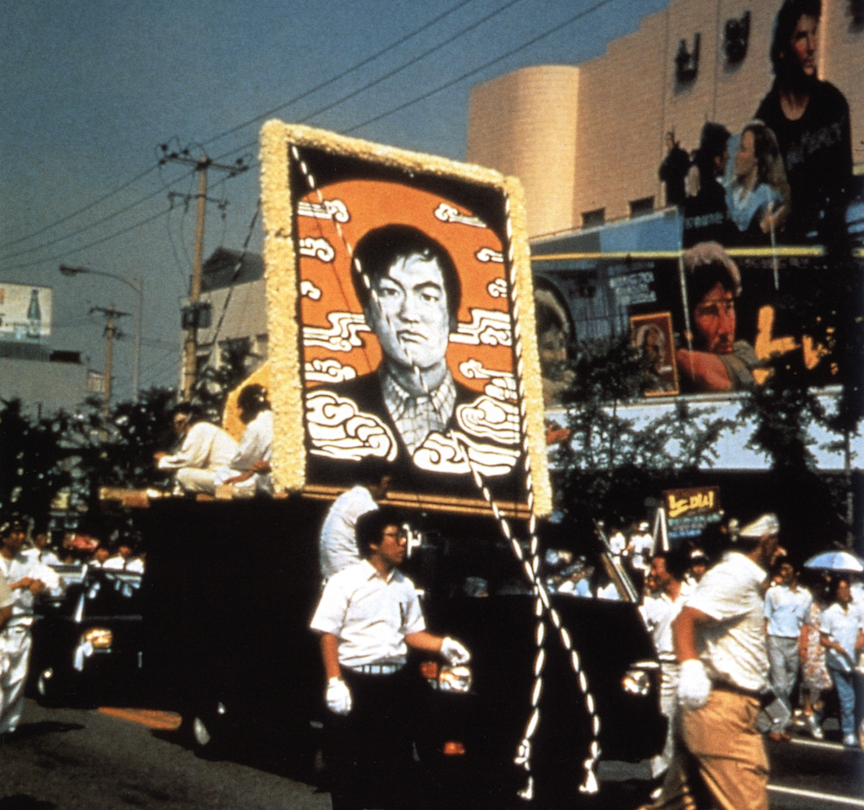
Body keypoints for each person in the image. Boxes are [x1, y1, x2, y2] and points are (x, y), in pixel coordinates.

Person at [310, 508, 470, 810]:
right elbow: (327, 634)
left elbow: (412, 634)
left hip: (394, 687)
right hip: (356, 684)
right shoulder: (344, 582)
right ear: (373, 543)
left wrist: (444, 645)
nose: (402, 543)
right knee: (349, 770)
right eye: (395, 536)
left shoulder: (404, 586)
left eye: (403, 536)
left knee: (390, 770)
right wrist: (335, 681)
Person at [639, 512, 780, 810]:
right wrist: (690, 668)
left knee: (679, 804)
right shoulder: (733, 575)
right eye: (776, 542)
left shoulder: (741, 577)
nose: (779, 551)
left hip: (720, 708)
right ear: (766, 540)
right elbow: (685, 621)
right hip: (722, 713)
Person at [754, 0, 853, 246]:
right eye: (801, 37)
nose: (812, 46)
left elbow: (843, 184)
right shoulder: (766, 120)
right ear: (782, 49)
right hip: (786, 250)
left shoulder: (832, 103)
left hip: (829, 247)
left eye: (814, 33)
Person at [0, 516, 60, 736]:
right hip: (0, 626)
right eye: (15, 532)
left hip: (20, 627)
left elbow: (56, 582)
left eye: (23, 532)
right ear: (3, 536)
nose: (21, 537)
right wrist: (16, 585)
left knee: (15, 680)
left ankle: (5, 727)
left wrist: (41, 585)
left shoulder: (30, 562)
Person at [676, 241, 763, 393]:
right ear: (687, 320)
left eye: (729, 308)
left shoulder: (744, 353)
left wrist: (669, 354)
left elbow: (708, 375)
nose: (725, 329)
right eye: (710, 312)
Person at [639, 551, 690, 785]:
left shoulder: (695, 596)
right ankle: (660, 780)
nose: (651, 573)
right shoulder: (650, 603)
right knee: (665, 725)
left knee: (691, 725)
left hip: (691, 668)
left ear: (670, 571)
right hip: (665, 670)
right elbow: (641, 638)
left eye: (656, 567)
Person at [319, 462, 392, 581]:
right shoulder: (366, 505)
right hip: (349, 574)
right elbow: (377, 547)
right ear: (372, 483)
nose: (387, 490)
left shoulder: (345, 498)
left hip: (331, 572)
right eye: (386, 483)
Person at [764, 559, 812, 740]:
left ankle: (781, 724)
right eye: (781, 569)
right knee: (780, 685)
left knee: (790, 685)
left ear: (796, 573)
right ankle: (777, 726)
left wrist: (804, 647)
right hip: (775, 640)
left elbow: (806, 624)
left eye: (787, 568)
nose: (783, 572)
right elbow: (766, 619)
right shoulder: (773, 593)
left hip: (794, 642)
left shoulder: (805, 596)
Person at [724, 121, 790, 246]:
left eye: (743, 149)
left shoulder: (769, 198)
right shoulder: (727, 194)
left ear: (757, 157)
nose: (737, 155)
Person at [819, 577, 864, 748]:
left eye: (847, 588)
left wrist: (861, 640)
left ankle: (818, 716)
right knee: (848, 698)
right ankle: (848, 732)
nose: (846, 592)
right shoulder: (829, 613)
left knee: (847, 697)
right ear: (835, 592)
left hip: (853, 660)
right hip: (837, 661)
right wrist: (835, 646)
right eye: (842, 589)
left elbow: (861, 631)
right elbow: (823, 639)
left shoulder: (855, 611)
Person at [155, 404, 239, 494]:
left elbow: (189, 460)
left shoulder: (198, 429)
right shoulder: (205, 428)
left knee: (182, 474)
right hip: (231, 477)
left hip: (231, 479)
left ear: (181, 422)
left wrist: (163, 460)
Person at [682, 123, 735, 248]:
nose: (728, 156)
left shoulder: (697, 191)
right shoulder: (716, 194)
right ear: (717, 158)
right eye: (725, 149)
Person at [215, 384, 274, 495]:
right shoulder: (275, 419)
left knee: (221, 474)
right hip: (271, 475)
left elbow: (241, 461)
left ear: (248, 407)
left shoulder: (255, 426)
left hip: (262, 482)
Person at [799, 570, 832, 740]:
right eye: (817, 587)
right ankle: (807, 709)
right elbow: (804, 626)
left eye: (822, 587)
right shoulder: (808, 605)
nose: (820, 591)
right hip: (811, 644)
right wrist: (803, 646)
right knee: (807, 679)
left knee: (826, 681)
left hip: (823, 645)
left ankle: (818, 706)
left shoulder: (827, 605)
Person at [659, 131, 690, 208]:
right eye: (667, 140)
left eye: (669, 139)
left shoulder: (680, 154)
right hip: (670, 195)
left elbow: (687, 168)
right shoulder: (667, 159)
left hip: (680, 192)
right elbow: (661, 175)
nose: (668, 142)